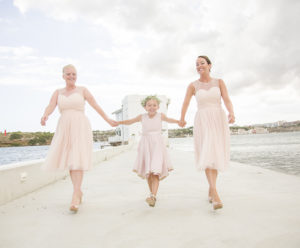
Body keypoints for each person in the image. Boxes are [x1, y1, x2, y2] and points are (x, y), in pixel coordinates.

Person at [40, 64, 117, 213]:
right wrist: (45, 115)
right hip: (64, 127)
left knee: (77, 159)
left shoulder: (83, 90)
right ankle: (78, 191)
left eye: (74, 74)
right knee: (71, 160)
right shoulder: (58, 92)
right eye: (68, 74)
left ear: (76, 76)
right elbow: (50, 106)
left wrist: (107, 119)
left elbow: (96, 105)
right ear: (63, 76)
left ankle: (75, 195)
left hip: (80, 126)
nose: (71, 76)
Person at [179, 56, 235, 210]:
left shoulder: (219, 82)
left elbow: (227, 99)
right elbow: (185, 103)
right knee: (207, 153)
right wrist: (182, 118)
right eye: (196, 64)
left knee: (215, 154)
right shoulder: (192, 86)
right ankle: (215, 194)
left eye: (202, 63)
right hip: (203, 120)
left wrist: (231, 113)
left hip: (218, 118)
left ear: (209, 65)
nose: (199, 66)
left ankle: (211, 189)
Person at [117, 95, 180, 207]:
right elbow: (129, 121)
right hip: (146, 145)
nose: (152, 107)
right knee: (149, 173)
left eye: (154, 105)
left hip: (157, 146)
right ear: (145, 107)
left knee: (155, 172)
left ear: (158, 106)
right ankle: (152, 195)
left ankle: (153, 196)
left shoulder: (161, 116)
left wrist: (179, 121)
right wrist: (118, 123)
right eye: (149, 105)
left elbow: (170, 120)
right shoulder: (142, 117)